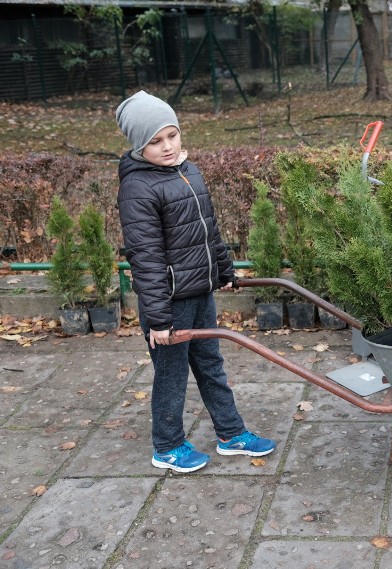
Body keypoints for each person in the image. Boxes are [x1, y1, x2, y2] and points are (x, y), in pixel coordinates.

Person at [115, 90, 275, 473]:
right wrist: (157, 319)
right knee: (171, 376)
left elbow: (208, 230)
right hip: (169, 302)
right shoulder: (138, 188)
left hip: (199, 292)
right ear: (140, 145)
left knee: (211, 364)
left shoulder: (188, 171)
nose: (167, 146)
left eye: (172, 135)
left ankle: (231, 433)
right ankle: (167, 446)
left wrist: (223, 270)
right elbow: (146, 258)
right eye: (155, 141)